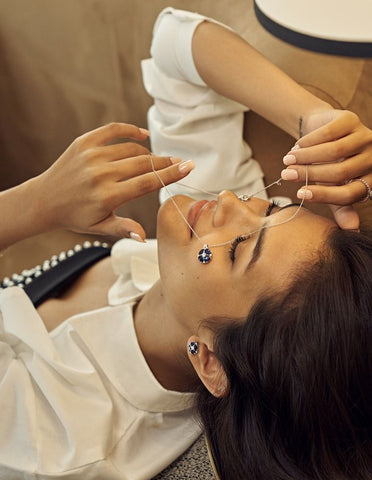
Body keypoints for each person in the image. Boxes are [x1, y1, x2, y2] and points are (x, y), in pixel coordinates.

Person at [0, 7, 371, 480]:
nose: (232, 200)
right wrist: (311, 116)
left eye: (238, 247)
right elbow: (176, 41)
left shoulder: (53, 441)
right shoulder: (196, 276)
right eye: (271, 210)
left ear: (210, 361)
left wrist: (34, 205)